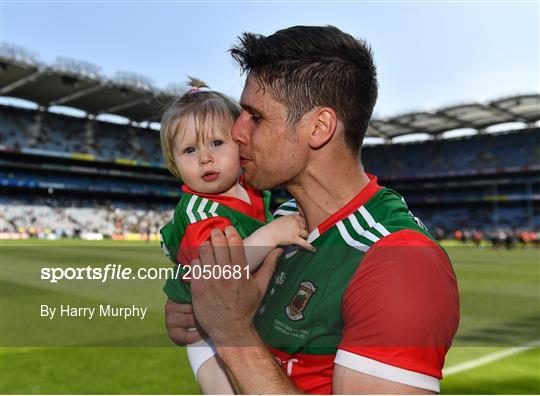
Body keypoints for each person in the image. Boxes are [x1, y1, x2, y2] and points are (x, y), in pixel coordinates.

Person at [165, 25, 460, 394]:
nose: (236, 131)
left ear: (319, 127)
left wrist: (230, 332)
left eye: (255, 117)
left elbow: (231, 327)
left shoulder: (400, 262)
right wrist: (192, 314)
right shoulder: (277, 218)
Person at [159, 86, 313, 393]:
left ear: (239, 144)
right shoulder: (198, 212)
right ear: (175, 164)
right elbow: (220, 271)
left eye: (217, 143)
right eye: (190, 150)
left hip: (244, 312)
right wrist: (273, 233)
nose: (205, 158)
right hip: (204, 331)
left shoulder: (249, 188)